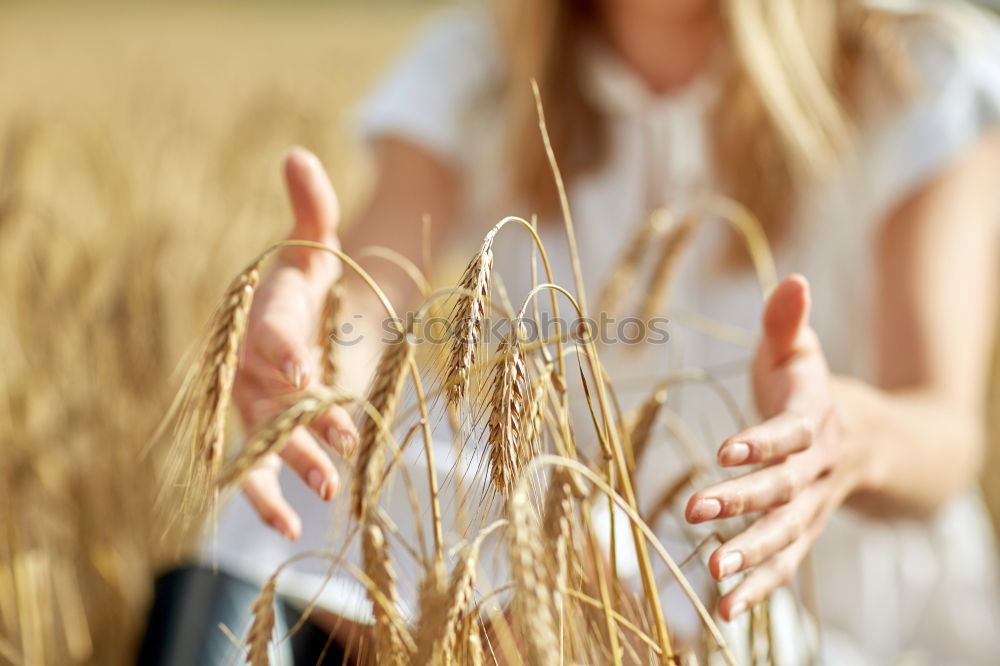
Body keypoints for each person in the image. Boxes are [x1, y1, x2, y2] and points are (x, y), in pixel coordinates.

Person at [181, 0, 1000, 664]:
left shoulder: (920, 74)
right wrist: (313, 354)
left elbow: (944, 428)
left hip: (802, 608)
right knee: (299, 483)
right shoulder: (484, 62)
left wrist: (843, 436)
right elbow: (370, 295)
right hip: (565, 563)